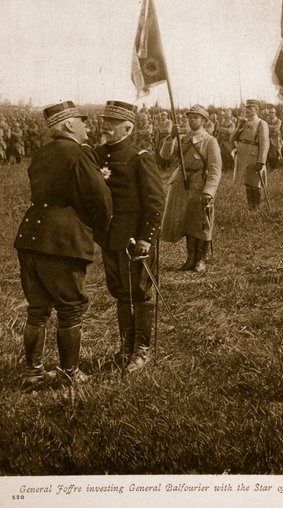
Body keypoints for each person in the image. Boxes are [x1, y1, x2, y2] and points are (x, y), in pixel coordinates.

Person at [14, 101, 112, 386]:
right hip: (62, 242)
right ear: (69, 124)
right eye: (82, 121)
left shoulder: (41, 154)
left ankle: (33, 373)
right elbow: (101, 200)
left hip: (30, 237)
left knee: (37, 308)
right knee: (70, 308)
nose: (88, 126)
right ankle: (69, 372)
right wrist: (97, 228)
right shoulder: (79, 154)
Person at [95, 100, 165, 371]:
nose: (106, 126)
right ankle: (126, 347)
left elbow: (155, 202)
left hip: (136, 239)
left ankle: (142, 350)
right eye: (105, 121)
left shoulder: (140, 156)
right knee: (120, 293)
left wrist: (147, 237)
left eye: (112, 123)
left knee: (140, 292)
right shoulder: (98, 154)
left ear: (128, 127)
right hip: (110, 237)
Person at [160, 104, 222, 273]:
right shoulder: (183, 138)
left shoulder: (210, 141)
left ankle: (200, 260)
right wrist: (170, 138)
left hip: (199, 184)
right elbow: (165, 156)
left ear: (203, 120)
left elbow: (215, 169)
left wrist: (209, 191)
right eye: (190, 117)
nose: (192, 120)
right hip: (181, 183)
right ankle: (190, 259)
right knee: (187, 221)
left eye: (196, 117)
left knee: (202, 223)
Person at [231, 99, 269, 210]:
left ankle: (256, 206)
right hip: (242, 156)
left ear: (256, 109)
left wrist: (261, 161)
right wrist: (239, 126)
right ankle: (250, 206)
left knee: (255, 182)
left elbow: (264, 143)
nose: (247, 110)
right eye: (246, 108)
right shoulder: (243, 122)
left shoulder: (261, 123)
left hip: (254, 155)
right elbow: (232, 138)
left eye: (250, 108)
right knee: (247, 182)